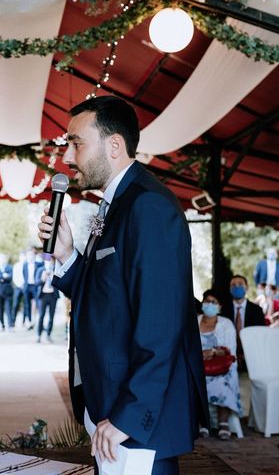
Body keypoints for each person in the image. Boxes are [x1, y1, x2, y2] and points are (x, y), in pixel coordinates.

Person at [38, 96, 207, 475]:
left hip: (138, 418)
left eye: (75, 143)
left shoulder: (149, 206)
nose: (66, 157)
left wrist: (129, 416)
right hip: (110, 403)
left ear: (114, 145)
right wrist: (67, 255)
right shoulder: (114, 203)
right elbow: (108, 297)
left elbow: (161, 323)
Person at [198, 290, 241, 441]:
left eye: (214, 302)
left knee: (223, 382)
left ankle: (223, 423)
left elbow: (231, 351)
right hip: (199, 367)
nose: (209, 304)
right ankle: (203, 422)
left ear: (220, 307)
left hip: (220, 368)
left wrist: (214, 351)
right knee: (193, 381)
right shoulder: (194, 322)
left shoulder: (226, 324)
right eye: (207, 301)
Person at [221, 275, 266, 370]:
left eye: (240, 284)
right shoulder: (223, 310)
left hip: (252, 359)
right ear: (230, 289)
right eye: (233, 285)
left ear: (247, 287)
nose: (237, 287)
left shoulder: (257, 310)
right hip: (229, 358)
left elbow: (261, 335)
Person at [35, 256, 59, 343]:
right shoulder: (40, 270)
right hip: (43, 296)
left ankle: (48, 335)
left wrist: (53, 278)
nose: (49, 262)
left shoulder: (56, 270)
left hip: (53, 296)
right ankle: (38, 335)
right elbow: (36, 283)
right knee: (41, 316)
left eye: (51, 261)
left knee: (51, 316)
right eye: (47, 261)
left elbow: (60, 283)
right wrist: (42, 279)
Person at [0, 253, 14, 331]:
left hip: (8, 292)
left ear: (5, 260)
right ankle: (2, 325)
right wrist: (4, 276)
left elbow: (10, 278)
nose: (2, 260)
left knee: (9, 309)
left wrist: (0, 277)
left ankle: (10, 326)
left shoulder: (9, 268)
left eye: (3, 259)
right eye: (0, 259)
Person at [22, 248, 42, 330]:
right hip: (27, 287)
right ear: (27, 256)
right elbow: (24, 275)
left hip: (35, 287)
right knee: (27, 305)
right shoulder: (25, 264)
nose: (30, 256)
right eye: (28, 255)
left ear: (34, 255)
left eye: (32, 255)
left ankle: (40, 323)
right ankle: (30, 322)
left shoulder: (39, 264)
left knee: (38, 304)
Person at [11, 251, 26, 321]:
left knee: (26, 305)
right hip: (18, 287)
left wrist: (24, 285)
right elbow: (14, 277)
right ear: (19, 257)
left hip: (26, 287)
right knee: (15, 304)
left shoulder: (27, 265)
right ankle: (13, 321)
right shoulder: (16, 266)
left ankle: (24, 321)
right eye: (21, 256)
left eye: (24, 256)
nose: (23, 258)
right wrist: (20, 285)